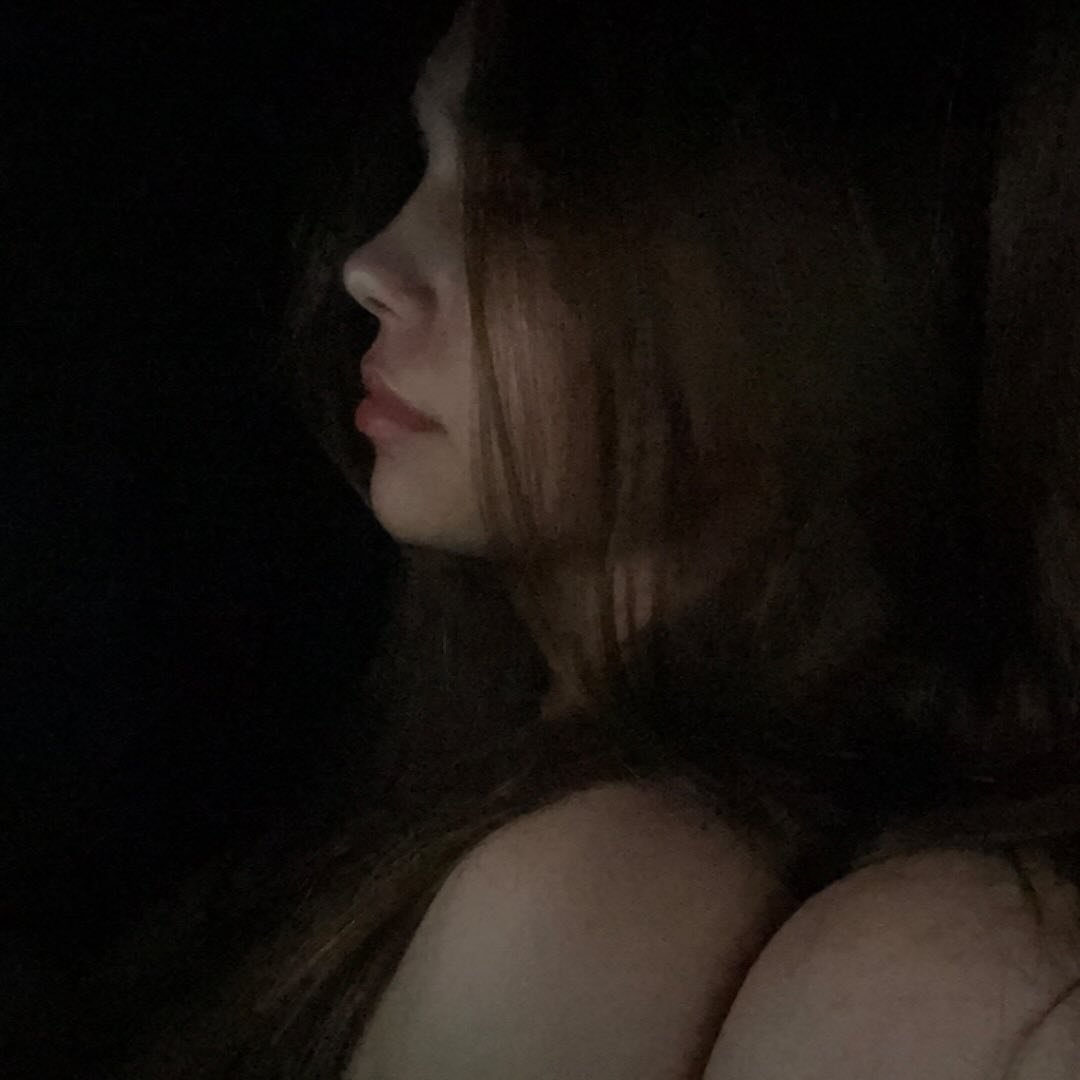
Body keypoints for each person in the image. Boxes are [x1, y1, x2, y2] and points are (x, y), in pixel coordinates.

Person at [122, 0, 1080, 1075]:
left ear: (804, 296)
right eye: (423, 165)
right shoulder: (515, 772)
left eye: (520, 202)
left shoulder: (594, 892)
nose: (369, 268)